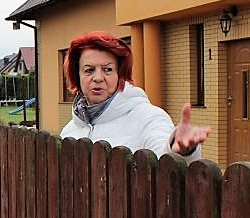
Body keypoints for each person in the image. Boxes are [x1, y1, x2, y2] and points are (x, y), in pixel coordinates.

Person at [60, 31, 210, 161]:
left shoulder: (148, 117)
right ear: (77, 76)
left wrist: (179, 150)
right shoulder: (70, 130)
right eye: (89, 70)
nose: (98, 77)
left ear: (120, 74)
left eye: (108, 69)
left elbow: (164, 159)